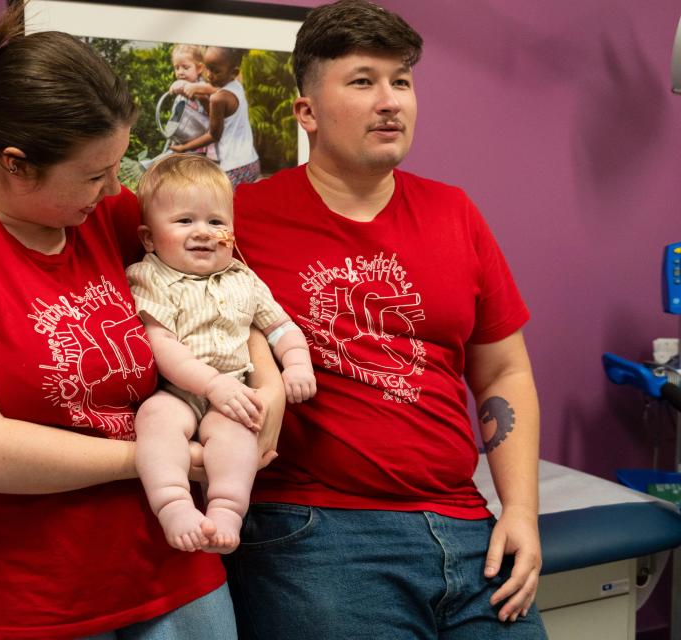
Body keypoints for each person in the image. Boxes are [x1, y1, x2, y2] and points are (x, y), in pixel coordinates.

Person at [0, 5, 284, 639]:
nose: (110, 189)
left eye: (115, 167)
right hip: (31, 598)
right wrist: (157, 456)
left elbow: (223, 287)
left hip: (176, 568)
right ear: (15, 162)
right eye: (93, 174)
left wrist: (264, 384)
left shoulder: (106, 216)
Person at [223, 1, 547, 639]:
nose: (391, 100)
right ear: (306, 112)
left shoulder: (455, 213)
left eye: (401, 80)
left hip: (466, 525)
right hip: (317, 530)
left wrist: (523, 511)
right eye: (363, 81)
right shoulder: (238, 220)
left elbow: (504, 369)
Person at [127, 154, 316, 554]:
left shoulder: (244, 278)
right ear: (148, 238)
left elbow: (279, 326)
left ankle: (227, 510)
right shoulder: (152, 275)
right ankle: (174, 504)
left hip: (233, 390)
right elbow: (161, 343)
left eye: (216, 222)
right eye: (184, 221)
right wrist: (210, 385)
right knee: (154, 420)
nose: (204, 232)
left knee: (239, 434)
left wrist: (297, 361)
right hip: (178, 392)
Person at [169, 47, 260, 187]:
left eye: (216, 71)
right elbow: (218, 116)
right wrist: (201, 97)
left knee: (220, 204)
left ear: (234, 72)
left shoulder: (218, 99)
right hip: (251, 161)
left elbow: (213, 135)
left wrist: (184, 147)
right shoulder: (236, 86)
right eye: (208, 69)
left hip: (234, 167)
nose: (210, 75)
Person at [166, 44, 215, 160]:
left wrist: (197, 94)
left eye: (185, 67)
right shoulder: (180, 89)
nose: (180, 72)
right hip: (185, 143)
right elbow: (176, 119)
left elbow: (213, 115)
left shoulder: (203, 87)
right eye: (176, 68)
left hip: (201, 147)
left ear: (199, 68)